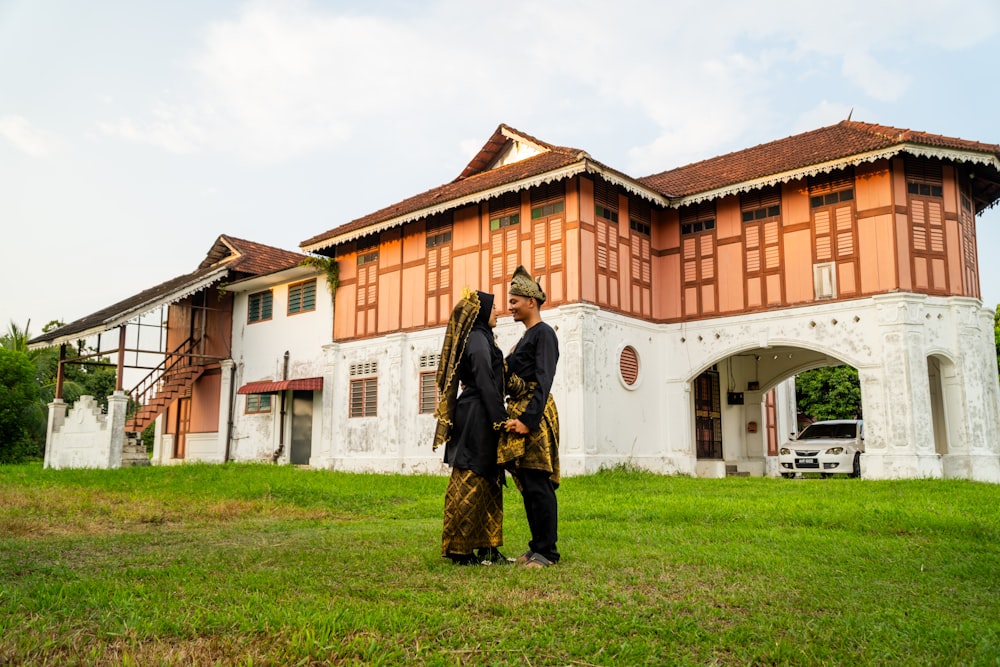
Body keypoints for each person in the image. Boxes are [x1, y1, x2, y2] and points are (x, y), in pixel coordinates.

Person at [433, 288, 510, 565]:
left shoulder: (483, 337)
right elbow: (485, 380)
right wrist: (499, 418)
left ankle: (487, 545)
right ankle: (459, 549)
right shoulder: (477, 339)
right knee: (470, 479)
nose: (498, 311)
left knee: (490, 480)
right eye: (494, 307)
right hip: (478, 415)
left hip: (483, 412)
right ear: (481, 313)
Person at [500, 265, 561, 569]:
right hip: (522, 412)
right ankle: (536, 546)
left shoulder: (544, 334)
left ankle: (548, 552)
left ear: (530, 302)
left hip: (535, 415)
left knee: (539, 481)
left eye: (514, 301)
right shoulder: (525, 337)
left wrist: (528, 419)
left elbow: (544, 379)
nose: (509, 307)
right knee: (527, 482)